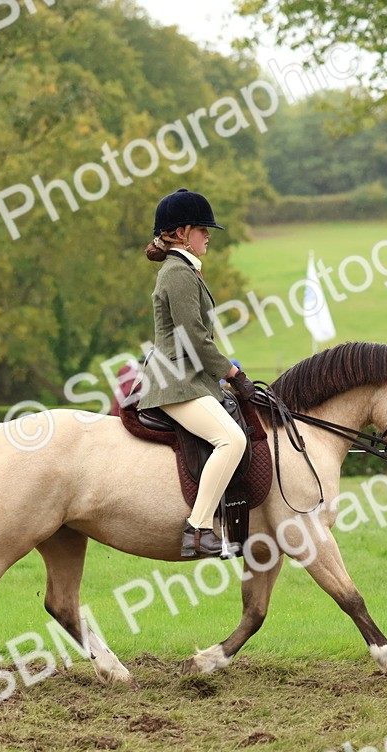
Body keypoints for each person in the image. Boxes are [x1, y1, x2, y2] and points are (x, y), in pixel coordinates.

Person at [136, 188, 257, 558]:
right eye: (203, 229)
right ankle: (198, 528)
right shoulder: (178, 273)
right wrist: (232, 373)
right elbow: (194, 338)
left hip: (189, 379)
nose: (208, 236)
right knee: (231, 440)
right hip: (176, 382)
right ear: (182, 233)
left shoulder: (184, 271)